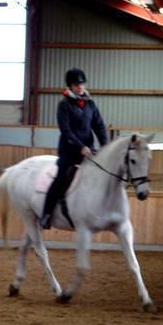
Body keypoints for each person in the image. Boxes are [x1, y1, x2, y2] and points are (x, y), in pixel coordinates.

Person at [39, 68, 109, 229]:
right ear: (70, 86)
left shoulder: (90, 104)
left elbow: (99, 126)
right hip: (69, 150)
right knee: (60, 178)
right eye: (76, 84)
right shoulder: (64, 105)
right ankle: (47, 214)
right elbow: (66, 130)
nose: (79, 87)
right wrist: (80, 147)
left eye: (81, 83)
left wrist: (105, 144)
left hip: (88, 150)